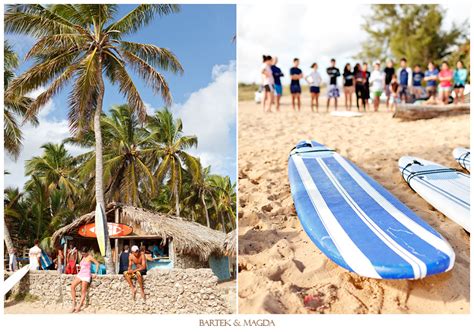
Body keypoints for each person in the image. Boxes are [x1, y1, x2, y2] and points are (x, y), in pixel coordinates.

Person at [70, 247, 99, 313]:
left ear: (87, 252)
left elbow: (97, 263)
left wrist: (95, 273)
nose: (83, 254)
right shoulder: (82, 257)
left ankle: (79, 306)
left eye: (84, 253)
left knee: (83, 291)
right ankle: (74, 303)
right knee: (72, 286)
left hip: (86, 275)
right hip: (80, 274)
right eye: (82, 253)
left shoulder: (89, 257)